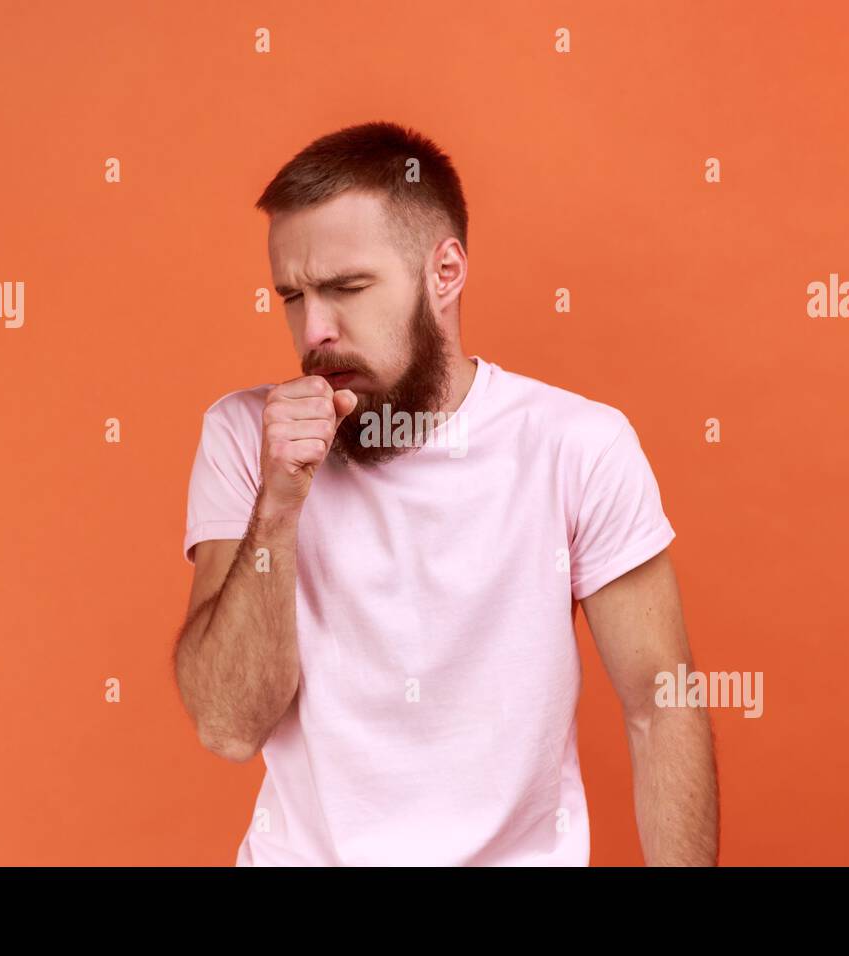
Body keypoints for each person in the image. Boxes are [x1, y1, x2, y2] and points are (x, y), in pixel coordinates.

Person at [173, 121, 717, 866]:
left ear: (445, 272)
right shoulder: (246, 438)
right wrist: (278, 506)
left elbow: (661, 703)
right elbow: (227, 727)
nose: (315, 331)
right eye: (293, 296)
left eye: (347, 288)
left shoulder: (577, 445)